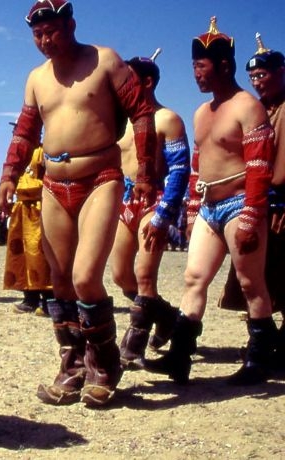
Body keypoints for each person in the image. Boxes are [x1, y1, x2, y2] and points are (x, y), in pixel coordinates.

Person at [0, 0, 157, 407]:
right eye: (37, 34)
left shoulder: (104, 61)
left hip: (100, 177)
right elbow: (26, 131)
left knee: (86, 277)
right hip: (53, 182)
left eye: (52, 31)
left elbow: (141, 113)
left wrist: (147, 173)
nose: (45, 40)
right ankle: (72, 366)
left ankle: (104, 365)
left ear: (70, 25)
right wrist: (8, 176)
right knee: (61, 279)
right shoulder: (36, 78)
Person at [145, 18, 277, 386]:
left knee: (251, 283)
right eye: (193, 67)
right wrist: (189, 211)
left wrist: (252, 214)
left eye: (200, 67)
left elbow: (259, 167)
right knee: (193, 277)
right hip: (209, 207)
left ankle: (259, 359)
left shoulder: (248, 107)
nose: (195, 75)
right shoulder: (202, 113)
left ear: (222, 65)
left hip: (239, 203)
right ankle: (179, 358)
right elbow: (197, 166)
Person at [110, 51, 191, 370]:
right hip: (124, 200)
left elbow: (180, 169)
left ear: (146, 81)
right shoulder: (121, 123)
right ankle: (168, 316)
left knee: (145, 275)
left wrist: (165, 213)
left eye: (128, 79)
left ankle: (133, 346)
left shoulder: (167, 119)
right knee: (121, 276)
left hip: (153, 198)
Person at [217, 33, 285, 364]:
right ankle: (265, 342)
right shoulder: (256, 110)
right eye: (253, 77)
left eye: (264, 74)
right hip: (259, 203)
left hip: (283, 204)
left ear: (281, 71)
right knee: (259, 275)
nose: (258, 81)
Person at [2, 142, 54, 315]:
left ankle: (49, 298)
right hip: (21, 208)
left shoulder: (43, 151)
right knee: (23, 255)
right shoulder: (16, 158)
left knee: (41, 254)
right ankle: (30, 297)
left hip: (39, 207)